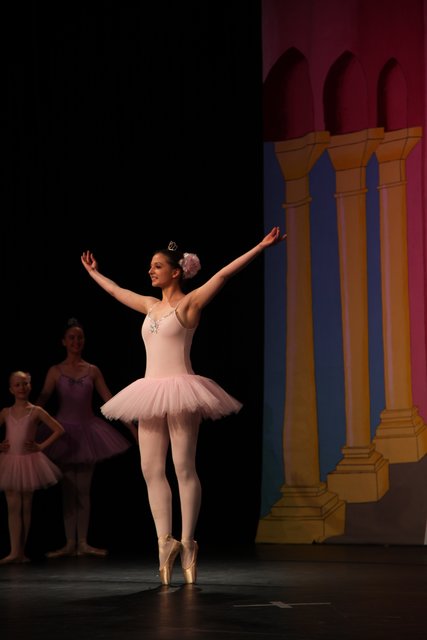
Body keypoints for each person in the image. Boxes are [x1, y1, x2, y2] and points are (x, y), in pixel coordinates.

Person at [81, 226, 286, 585]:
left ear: (176, 272)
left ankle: (188, 542)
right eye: (150, 266)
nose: (150, 270)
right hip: (149, 391)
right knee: (149, 468)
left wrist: (260, 246)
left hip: (181, 390)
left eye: (157, 266)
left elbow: (223, 274)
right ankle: (165, 542)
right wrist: (94, 273)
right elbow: (117, 291)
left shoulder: (189, 304)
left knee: (182, 467)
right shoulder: (150, 306)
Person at [36, 317, 138, 558]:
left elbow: (110, 401)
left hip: (87, 433)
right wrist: (25, 425)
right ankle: (69, 543)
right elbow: (41, 402)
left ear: (84, 341)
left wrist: (132, 428)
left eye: (79, 337)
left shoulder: (92, 370)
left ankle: (82, 542)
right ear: (63, 341)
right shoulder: (55, 371)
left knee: (83, 489)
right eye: (71, 337)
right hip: (62, 433)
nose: (76, 341)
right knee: (67, 490)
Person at [0, 370, 64, 564]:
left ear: (30, 385)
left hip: (29, 462)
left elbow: (59, 429)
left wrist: (41, 446)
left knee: (26, 506)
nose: (22, 387)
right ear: (11, 389)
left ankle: (21, 552)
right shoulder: (5, 412)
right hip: (9, 461)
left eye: (25, 383)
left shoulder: (36, 411)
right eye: (17, 384)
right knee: (13, 507)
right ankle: (14, 551)